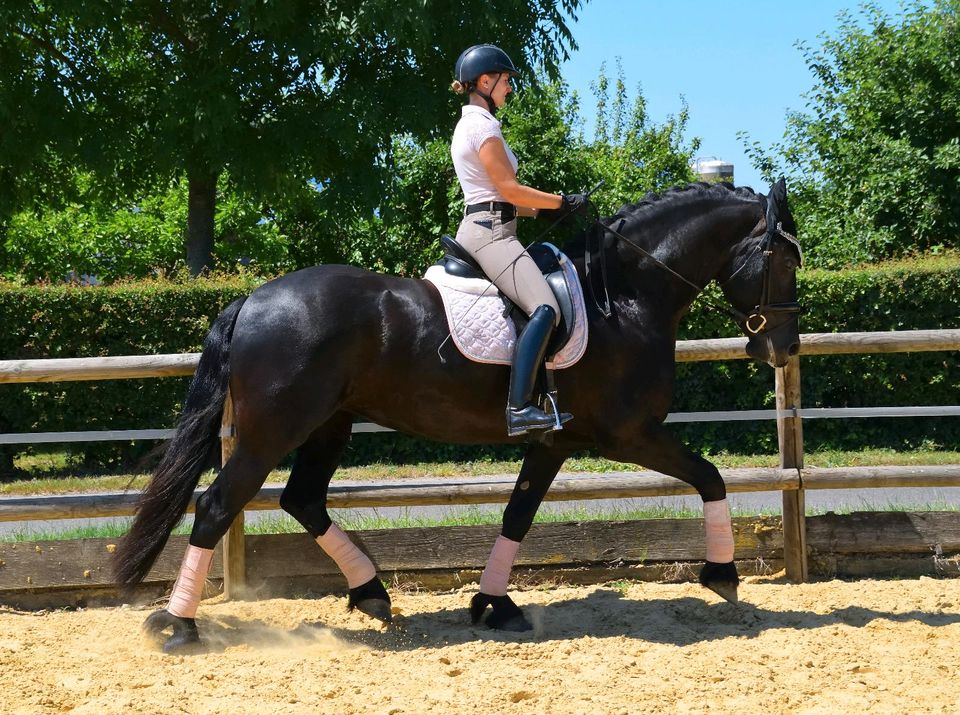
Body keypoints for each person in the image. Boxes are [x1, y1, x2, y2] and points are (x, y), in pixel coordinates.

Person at [450, 44, 589, 436]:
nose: (509, 89)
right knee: (546, 307)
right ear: (485, 81)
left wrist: (553, 210)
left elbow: (504, 198)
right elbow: (509, 190)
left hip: (494, 224)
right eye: (506, 81)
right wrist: (561, 201)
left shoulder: (471, 124)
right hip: (490, 234)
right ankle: (519, 408)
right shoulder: (483, 126)